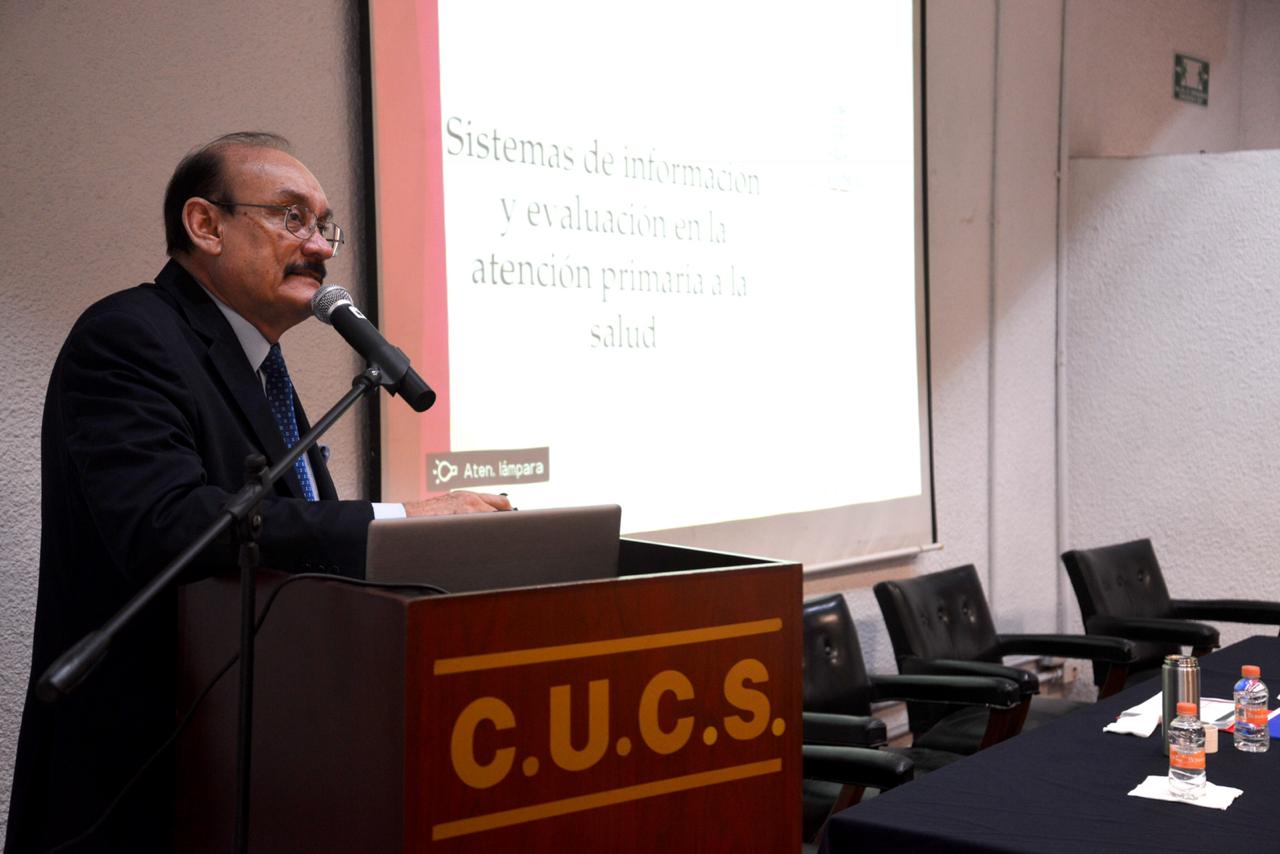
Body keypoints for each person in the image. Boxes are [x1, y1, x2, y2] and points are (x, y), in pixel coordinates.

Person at [5, 132, 509, 853]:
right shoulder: (128, 336)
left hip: (252, 767)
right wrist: (398, 520)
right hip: (142, 778)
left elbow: (286, 548)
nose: (322, 246)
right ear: (205, 225)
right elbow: (169, 526)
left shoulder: (260, 370)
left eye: (325, 225)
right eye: (292, 217)